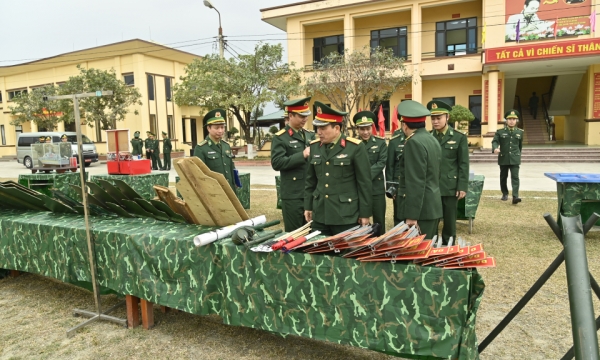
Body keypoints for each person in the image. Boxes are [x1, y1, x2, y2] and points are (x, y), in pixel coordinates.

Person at [304, 101, 372, 236]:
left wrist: (365, 213)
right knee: (319, 254)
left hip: (345, 215)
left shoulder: (355, 147)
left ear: (337, 128)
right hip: (320, 213)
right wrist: (308, 206)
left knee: (344, 254)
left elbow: (364, 183)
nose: (319, 132)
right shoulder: (314, 146)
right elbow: (310, 180)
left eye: (323, 128)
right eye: (318, 128)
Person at [395, 100, 442, 240]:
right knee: (429, 250)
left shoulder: (413, 142)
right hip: (431, 206)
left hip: (421, 211)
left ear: (404, 125)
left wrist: (412, 215)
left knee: (418, 255)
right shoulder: (431, 139)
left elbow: (415, 181)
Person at [271, 97, 316, 232]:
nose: (305, 119)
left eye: (306, 115)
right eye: (301, 116)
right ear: (290, 116)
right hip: (293, 195)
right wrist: (302, 155)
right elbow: (277, 163)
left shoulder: (310, 135)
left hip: (310, 193)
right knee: (295, 233)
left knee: (311, 233)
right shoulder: (280, 137)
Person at [428, 100, 469, 244]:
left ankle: (449, 245)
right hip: (431, 186)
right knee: (432, 219)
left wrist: (462, 186)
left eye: (438, 118)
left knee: (450, 219)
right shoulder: (427, 137)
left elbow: (463, 163)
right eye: (433, 118)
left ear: (447, 118)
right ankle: (430, 245)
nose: (435, 121)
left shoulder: (459, 137)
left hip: (450, 185)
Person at [354, 110, 387, 235]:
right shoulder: (353, 144)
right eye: (362, 129)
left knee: (379, 221)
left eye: (368, 128)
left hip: (376, 189)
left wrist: (364, 176)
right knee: (360, 222)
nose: (366, 132)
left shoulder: (380, 143)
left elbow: (381, 163)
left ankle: (380, 246)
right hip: (358, 190)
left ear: (372, 127)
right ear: (357, 129)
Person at [194, 108, 237, 190]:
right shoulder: (201, 148)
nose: (220, 131)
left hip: (229, 189)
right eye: (216, 128)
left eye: (222, 127)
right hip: (213, 191)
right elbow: (199, 175)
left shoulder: (226, 146)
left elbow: (231, 168)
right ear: (208, 128)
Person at [492, 110, 524, 205]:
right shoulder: (500, 132)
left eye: (514, 119)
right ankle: (505, 193)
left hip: (515, 158)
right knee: (503, 177)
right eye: (509, 119)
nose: (511, 121)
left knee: (515, 177)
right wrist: (495, 148)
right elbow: (494, 141)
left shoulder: (520, 132)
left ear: (516, 120)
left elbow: (520, 146)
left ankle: (515, 196)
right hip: (504, 158)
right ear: (506, 120)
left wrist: (518, 155)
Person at [386, 127, 406, 225]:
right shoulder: (395, 141)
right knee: (399, 215)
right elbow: (390, 166)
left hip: (415, 183)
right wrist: (391, 188)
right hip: (399, 183)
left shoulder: (420, 138)